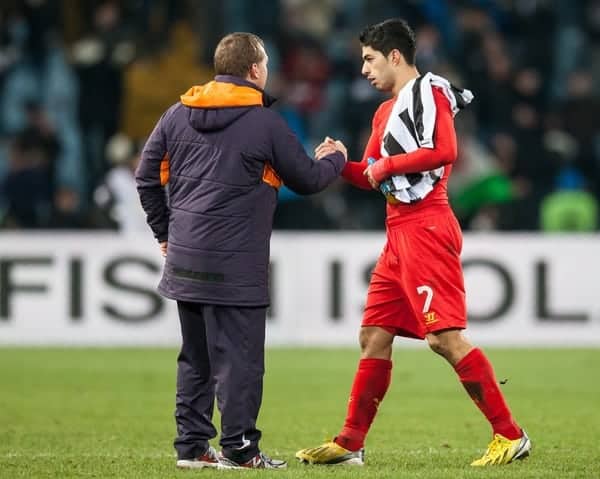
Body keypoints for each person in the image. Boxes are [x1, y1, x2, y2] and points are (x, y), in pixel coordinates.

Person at [296, 18, 531, 467]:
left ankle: (510, 434)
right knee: (373, 335)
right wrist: (341, 161)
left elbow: (445, 150)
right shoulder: (384, 112)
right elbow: (371, 174)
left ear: (395, 56)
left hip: (425, 226)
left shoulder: (431, 92)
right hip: (397, 232)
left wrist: (384, 168)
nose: (364, 69)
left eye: (369, 59)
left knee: (444, 339)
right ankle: (350, 443)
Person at [135, 32, 347, 470]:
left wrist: (164, 232)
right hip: (236, 265)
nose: (268, 71)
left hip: (187, 258)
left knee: (196, 356)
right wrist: (335, 158)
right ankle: (240, 448)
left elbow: (145, 176)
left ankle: (192, 447)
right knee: (241, 361)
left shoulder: (177, 113)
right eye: (266, 63)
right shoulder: (265, 123)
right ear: (254, 70)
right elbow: (307, 180)